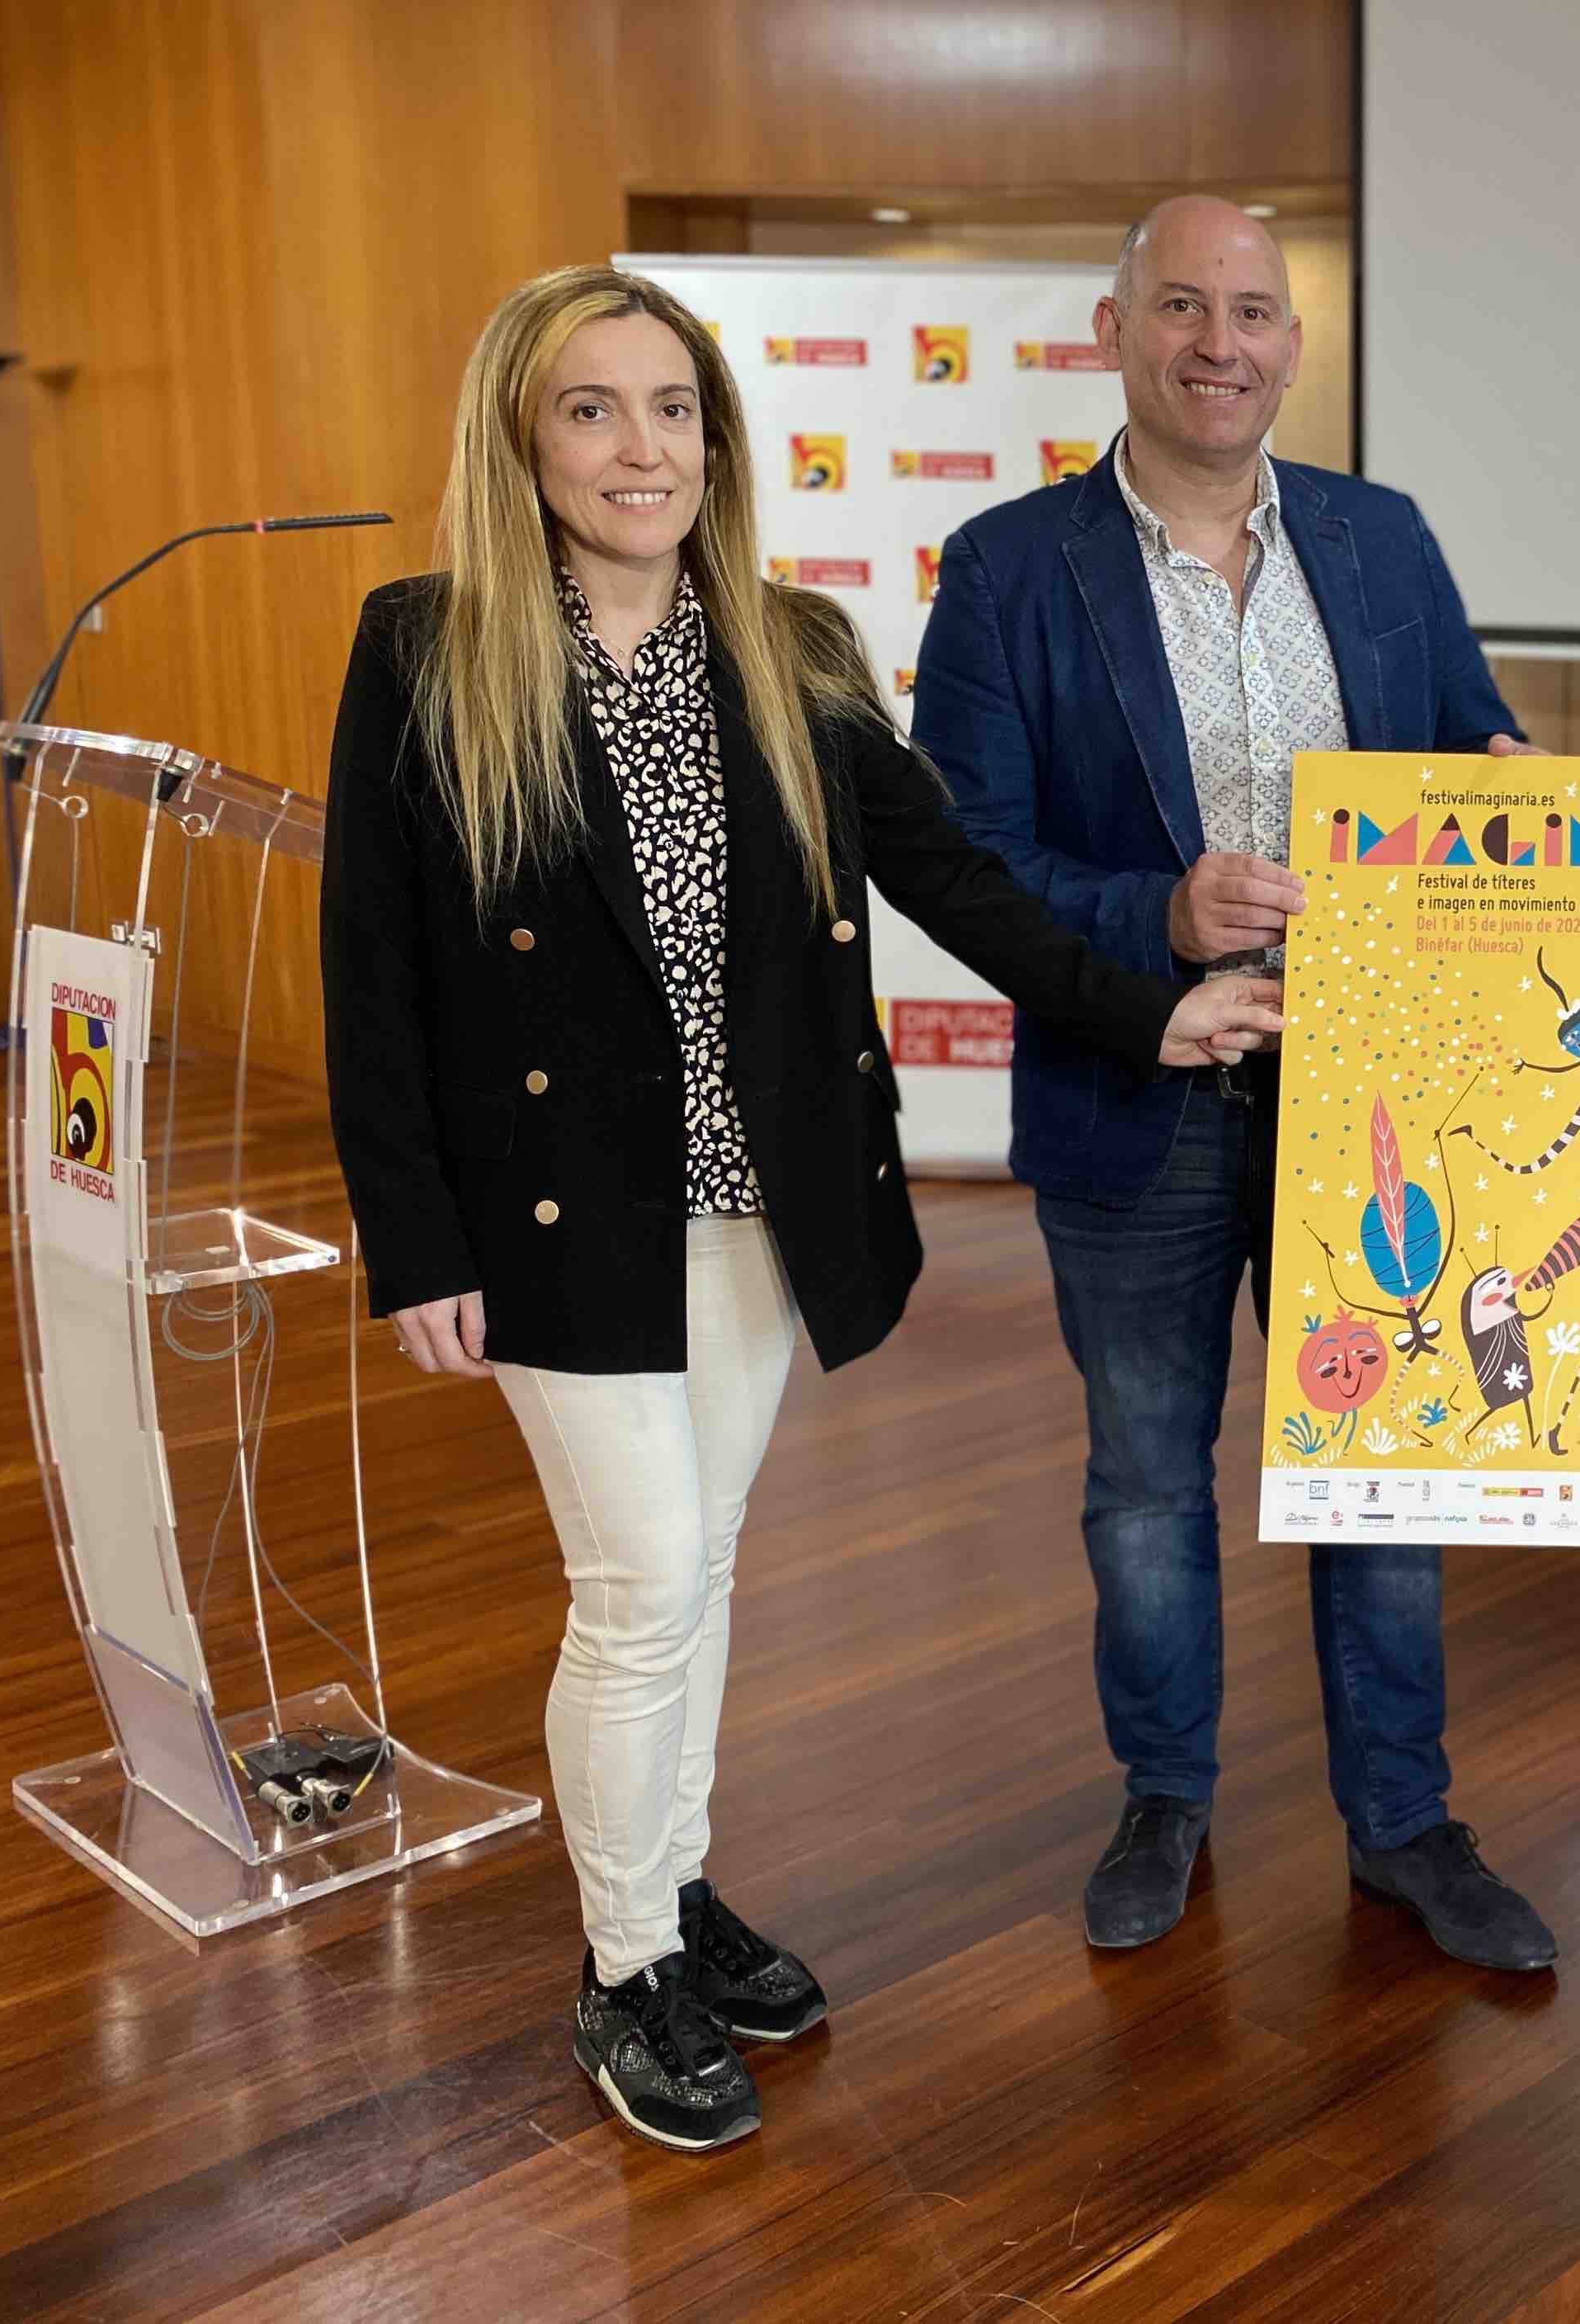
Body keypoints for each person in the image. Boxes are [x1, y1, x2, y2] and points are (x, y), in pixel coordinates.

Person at [320, 267, 1279, 2157]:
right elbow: (374, 964)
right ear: (521, 437)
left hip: (759, 1204)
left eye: (673, 407)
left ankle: (671, 1895)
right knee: (641, 1586)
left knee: (703, 1570)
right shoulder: (430, 649)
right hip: (555, 1215)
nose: (642, 448)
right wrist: (412, 1235)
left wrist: (1145, 1006)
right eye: (593, 408)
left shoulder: (793, 647)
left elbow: (957, 879)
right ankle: (621, 1971)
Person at [911, 196, 1557, 1971]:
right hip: (1143, 1088)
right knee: (1145, 1481)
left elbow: (1468, 748)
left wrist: (1516, 798)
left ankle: (1404, 1824)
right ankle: (1165, 1799)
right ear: (1115, 330)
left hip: (1379, 1097)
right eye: (1183, 307)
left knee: (1386, 1478)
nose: (1221, 343)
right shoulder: (1009, 567)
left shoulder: (1378, 536)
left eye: (1254, 312)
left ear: (1293, 340)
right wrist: (1159, 916)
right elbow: (965, 859)